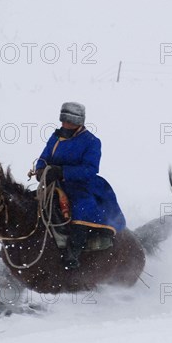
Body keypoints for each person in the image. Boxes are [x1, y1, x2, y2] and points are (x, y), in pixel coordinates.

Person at [34, 102, 126, 269]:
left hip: (82, 186)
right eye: (64, 121)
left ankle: (73, 253)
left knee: (82, 209)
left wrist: (62, 172)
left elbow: (90, 169)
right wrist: (40, 170)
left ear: (79, 123)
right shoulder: (55, 137)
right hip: (54, 185)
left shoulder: (92, 142)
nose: (66, 125)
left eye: (70, 122)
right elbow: (43, 158)